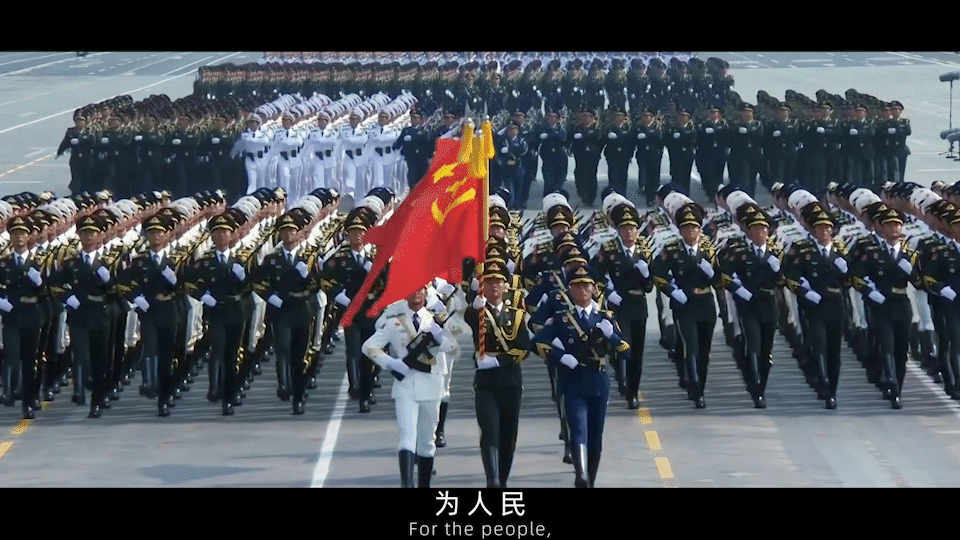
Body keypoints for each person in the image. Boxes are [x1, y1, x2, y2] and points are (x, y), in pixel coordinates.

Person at [532, 265, 629, 488]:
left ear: (594, 289)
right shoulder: (561, 319)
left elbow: (626, 351)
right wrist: (560, 357)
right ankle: (581, 475)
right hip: (572, 380)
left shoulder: (605, 317)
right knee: (578, 429)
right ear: (570, 290)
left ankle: (590, 481)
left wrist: (612, 336)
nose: (582, 290)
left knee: (595, 437)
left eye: (586, 285)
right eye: (577, 286)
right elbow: (536, 343)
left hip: (598, 380)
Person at [362, 284, 457, 488]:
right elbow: (368, 346)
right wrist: (392, 363)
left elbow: (453, 349)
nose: (416, 293)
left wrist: (440, 336)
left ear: (426, 293)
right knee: (407, 436)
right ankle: (406, 484)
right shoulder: (394, 321)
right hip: (406, 384)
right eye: (412, 289)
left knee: (427, 441)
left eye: (421, 289)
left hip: (431, 383)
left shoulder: (435, 320)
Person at [463, 260, 530, 488]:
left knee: (508, 437)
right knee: (490, 432)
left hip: (510, 381)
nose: (494, 286)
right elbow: (469, 319)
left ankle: (502, 480)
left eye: (498, 281)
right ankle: (492, 480)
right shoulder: (478, 312)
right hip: (486, 384)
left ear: (505, 286)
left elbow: (524, 347)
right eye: (489, 281)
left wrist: (498, 361)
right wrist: (475, 308)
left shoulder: (517, 315)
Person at [650, 202, 719, 408]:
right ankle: (696, 389)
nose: (691, 231)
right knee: (692, 347)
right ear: (680, 230)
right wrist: (672, 291)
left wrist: (712, 274)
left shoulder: (708, 249)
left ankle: (701, 385)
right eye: (686, 228)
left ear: (699, 229)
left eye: (694, 227)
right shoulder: (672, 250)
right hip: (685, 305)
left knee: (704, 351)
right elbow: (658, 274)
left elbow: (720, 279)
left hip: (705, 303)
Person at [717, 202, 784, 408]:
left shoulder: (775, 251)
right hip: (749, 306)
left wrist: (777, 270)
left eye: (764, 229)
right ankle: (756, 389)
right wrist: (739, 290)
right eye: (756, 229)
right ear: (749, 231)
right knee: (753, 345)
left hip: (768, 303)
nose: (760, 233)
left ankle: (761, 382)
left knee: (766, 349)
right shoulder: (737, 249)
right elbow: (726, 274)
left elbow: (784, 280)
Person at [783, 205, 851, 408]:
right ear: (813, 230)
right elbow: (791, 276)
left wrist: (845, 271)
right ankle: (825, 386)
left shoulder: (840, 251)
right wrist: (806, 293)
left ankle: (833, 388)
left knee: (834, 351)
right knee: (819, 347)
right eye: (820, 228)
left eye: (827, 228)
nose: (824, 231)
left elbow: (852, 279)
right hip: (815, 307)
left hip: (836, 305)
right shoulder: (803, 249)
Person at [590, 204, 653, 409]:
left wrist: (646, 274)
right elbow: (597, 276)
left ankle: (633, 392)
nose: (629, 232)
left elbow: (649, 287)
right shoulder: (609, 250)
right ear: (618, 230)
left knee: (637, 353)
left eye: (632, 228)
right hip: (619, 305)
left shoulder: (644, 251)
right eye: (625, 228)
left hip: (639, 305)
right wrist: (609, 293)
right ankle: (622, 379)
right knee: (624, 346)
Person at [0, 216, 47, 419]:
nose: (19, 237)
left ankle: (28, 402)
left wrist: (40, 284)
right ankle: (9, 391)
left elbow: (46, 292)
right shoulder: (3, 263)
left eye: (22, 233)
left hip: (31, 315)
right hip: (11, 316)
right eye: (15, 233)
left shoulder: (38, 262)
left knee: (29, 361)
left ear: (29, 237)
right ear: (10, 237)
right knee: (11, 354)